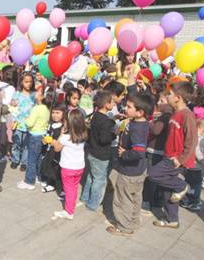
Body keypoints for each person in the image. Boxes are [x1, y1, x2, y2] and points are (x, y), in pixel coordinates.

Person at [148, 82, 198, 229]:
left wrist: (181, 159)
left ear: (178, 97)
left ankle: (182, 186)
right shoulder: (174, 113)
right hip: (168, 155)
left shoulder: (187, 115)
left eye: (169, 94)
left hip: (176, 159)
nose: (167, 96)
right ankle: (172, 220)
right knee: (166, 191)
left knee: (153, 174)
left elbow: (192, 140)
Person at [106, 93, 153, 236]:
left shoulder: (137, 129)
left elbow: (138, 152)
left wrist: (124, 153)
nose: (126, 109)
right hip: (138, 170)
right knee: (135, 196)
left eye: (129, 107)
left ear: (140, 112)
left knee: (123, 199)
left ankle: (124, 227)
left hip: (129, 171)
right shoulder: (140, 122)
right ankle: (132, 221)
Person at [80, 90, 116, 211]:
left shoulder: (95, 115)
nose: (114, 104)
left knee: (91, 176)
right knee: (99, 180)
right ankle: (93, 204)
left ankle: (85, 197)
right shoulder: (105, 121)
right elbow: (104, 139)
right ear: (106, 104)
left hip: (91, 151)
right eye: (112, 102)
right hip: (101, 154)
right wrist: (114, 134)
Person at [51, 109, 88, 220]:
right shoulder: (83, 134)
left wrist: (55, 140)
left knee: (69, 189)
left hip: (68, 168)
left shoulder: (66, 137)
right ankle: (70, 203)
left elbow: (57, 148)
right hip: (80, 166)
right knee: (74, 187)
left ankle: (69, 211)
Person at [17, 90, 50, 190]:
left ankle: (29, 181)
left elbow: (30, 123)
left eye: (37, 92)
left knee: (31, 159)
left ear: (41, 97)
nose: (35, 93)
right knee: (39, 158)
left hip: (35, 136)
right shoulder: (46, 108)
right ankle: (39, 178)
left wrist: (26, 118)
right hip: (42, 136)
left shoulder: (37, 108)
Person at [180, 119, 204, 211]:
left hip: (189, 165)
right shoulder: (199, 139)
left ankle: (187, 200)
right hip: (195, 166)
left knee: (189, 183)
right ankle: (193, 202)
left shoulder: (192, 135)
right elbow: (198, 153)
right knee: (196, 185)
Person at [10, 73, 35, 171]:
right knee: (16, 142)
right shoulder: (17, 93)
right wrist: (12, 120)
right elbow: (12, 108)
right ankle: (15, 159)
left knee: (26, 144)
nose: (28, 84)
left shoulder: (34, 95)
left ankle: (24, 162)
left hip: (29, 124)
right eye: (26, 81)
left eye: (30, 82)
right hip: (18, 123)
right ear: (21, 82)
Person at [40, 103, 65, 194]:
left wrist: (54, 141)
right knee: (49, 166)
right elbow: (47, 134)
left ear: (63, 114)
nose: (55, 115)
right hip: (50, 150)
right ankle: (51, 183)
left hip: (59, 152)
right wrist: (44, 140)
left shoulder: (64, 127)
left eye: (58, 113)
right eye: (53, 112)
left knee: (57, 169)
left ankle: (61, 189)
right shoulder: (51, 124)